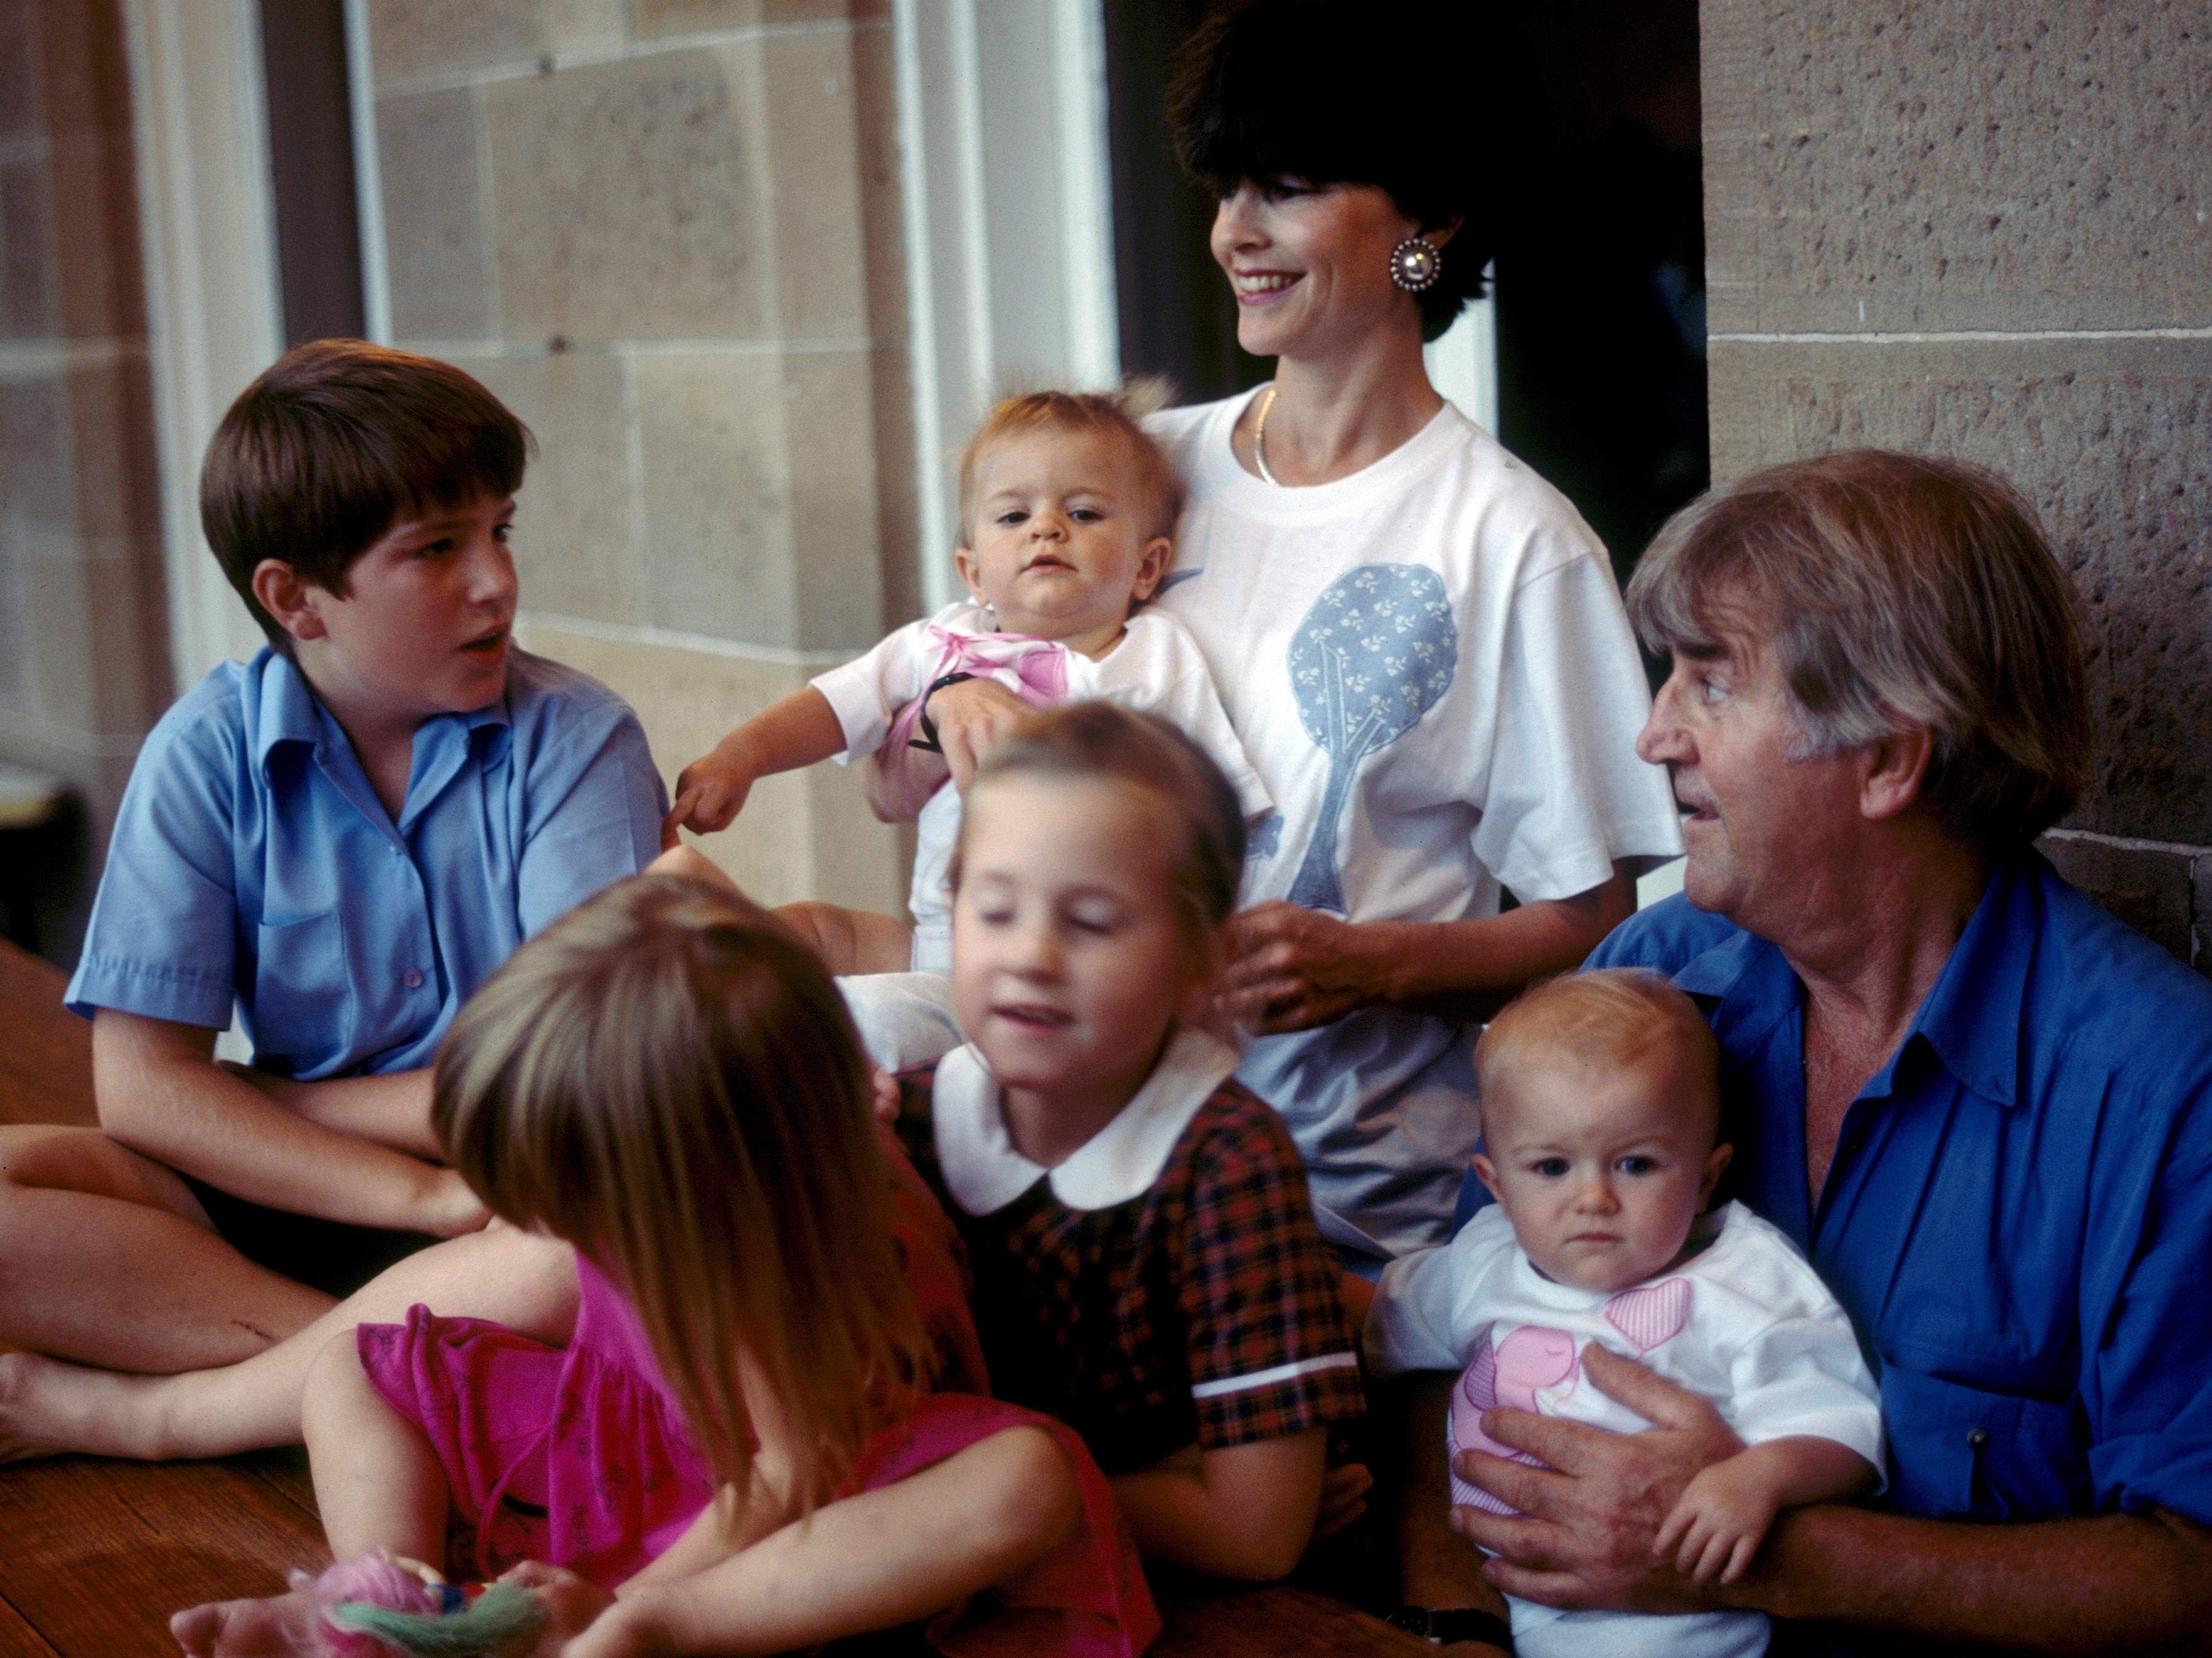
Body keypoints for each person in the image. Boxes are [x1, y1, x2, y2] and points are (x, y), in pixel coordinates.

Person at [901, 1, 1684, 1266]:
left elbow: (1593, 915)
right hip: (1065, 1164)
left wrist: (1371, 963)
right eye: (1225, 188)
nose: (1233, 233)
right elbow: (956, 651)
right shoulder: (1141, 470)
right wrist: (949, 706)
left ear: (1424, 222)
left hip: (1332, 1214)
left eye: (1288, 187)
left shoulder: (1513, 543)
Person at [1419, 451, 2212, 1653]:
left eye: (1711, 685)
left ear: (1890, 756)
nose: (1652, 735)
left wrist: (1771, 1553)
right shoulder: (1652, 976)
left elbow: (2194, 1576)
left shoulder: (2159, 1090)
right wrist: (1454, 1633)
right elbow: (1465, 1333)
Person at [171, 873, 1157, 1658]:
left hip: (797, 1515)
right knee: (351, 1365)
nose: (537, 1218)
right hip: (649, 1441)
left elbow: (788, 1471)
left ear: (686, 1193)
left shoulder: (766, 1251)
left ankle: (643, 1634)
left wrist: (626, 1602)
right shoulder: (740, 1141)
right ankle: (394, 1603)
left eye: (571, 1193)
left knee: (1028, 1478)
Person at [0, 341, 664, 1381]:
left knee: (588, 1259)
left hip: (527, 1199)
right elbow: (140, 1095)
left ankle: (281, 1379)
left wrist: (258, 1099)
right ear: (297, 599)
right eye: (438, 548)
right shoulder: (205, 750)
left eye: (500, 530)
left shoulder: (578, 743)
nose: (498, 583)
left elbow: (580, 1081)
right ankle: (383, 1376)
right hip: (307, 1190)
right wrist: (418, 1195)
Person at [890, 703, 1367, 1582]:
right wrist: (1158, 1486)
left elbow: (1255, 1534)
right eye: (995, 910)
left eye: (1092, 922)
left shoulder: (1227, 1161)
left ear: (1198, 960)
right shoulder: (895, 1124)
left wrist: (971, 1492)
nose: (1031, 954)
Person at [666, 385, 1268, 976]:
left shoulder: (1156, 655)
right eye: (1013, 515)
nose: (1046, 528)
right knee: (821, 932)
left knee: (876, 1021)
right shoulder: (941, 641)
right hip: (937, 936)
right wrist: (739, 757)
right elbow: (835, 704)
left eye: (1082, 512)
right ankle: (699, 939)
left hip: (1067, 957)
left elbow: (1217, 802)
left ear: (1147, 567)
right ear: (973, 573)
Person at [1369, 970, 1881, 1657]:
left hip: (1680, 1636)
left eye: (1636, 1164)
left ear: (1704, 1176)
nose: (1593, 1198)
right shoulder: (1480, 1263)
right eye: (1551, 1167)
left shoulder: (1745, 1281)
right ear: (1496, 1185)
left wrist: (1758, 1476)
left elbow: (1843, 1426)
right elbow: (1373, 1327)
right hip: (1504, 1615)